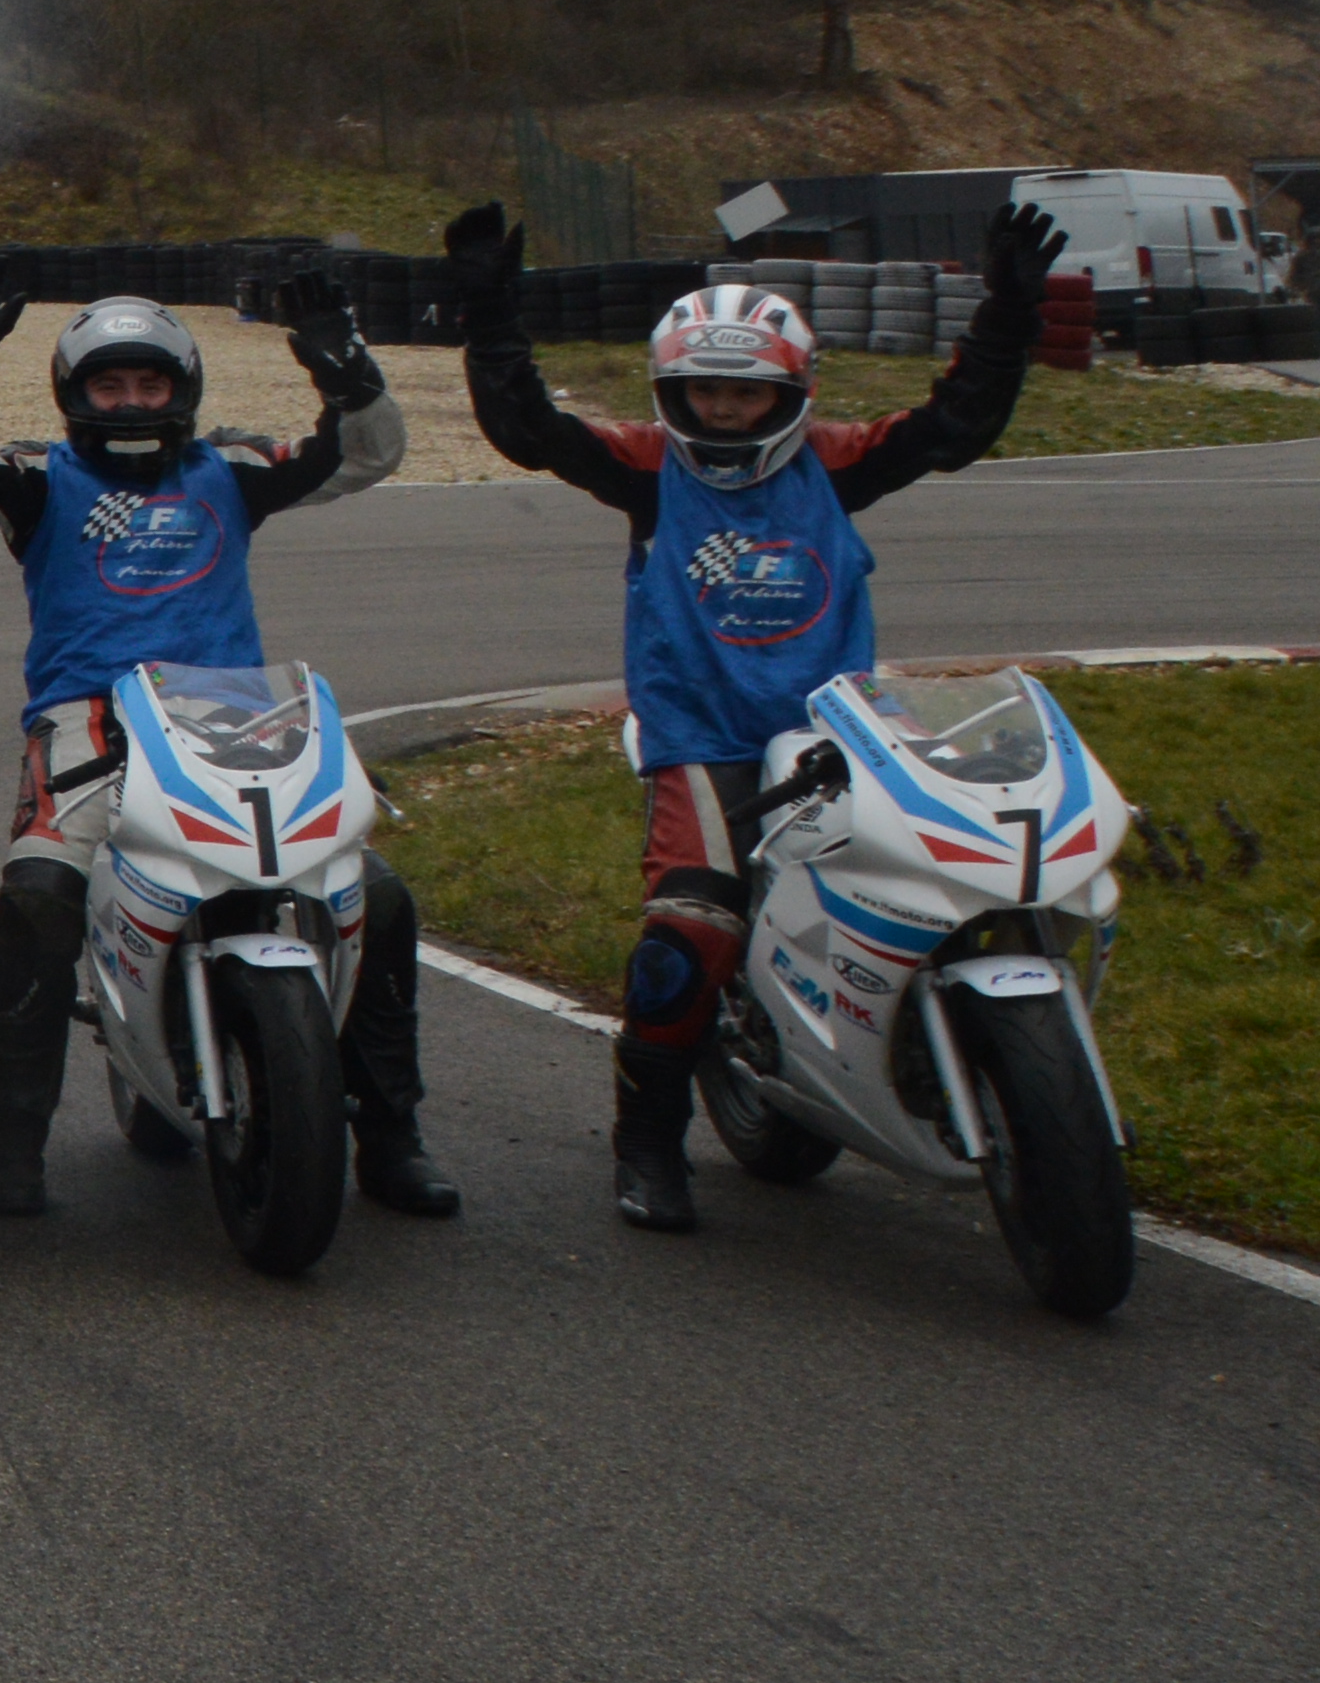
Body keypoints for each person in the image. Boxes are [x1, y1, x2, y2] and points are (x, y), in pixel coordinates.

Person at [442, 195, 1057, 1231]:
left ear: (794, 393)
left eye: (746, 394)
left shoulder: (836, 459)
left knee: (956, 881)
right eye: (703, 392)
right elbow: (528, 429)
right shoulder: (644, 467)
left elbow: (954, 425)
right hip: (702, 738)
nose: (723, 412)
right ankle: (645, 1141)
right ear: (667, 393)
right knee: (687, 935)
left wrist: (1007, 308)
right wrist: (489, 311)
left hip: (843, 732)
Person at [0, 281, 442, 1221]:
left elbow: (368, 455)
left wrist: (339, 360)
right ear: (75, 393)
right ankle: (14, 1145)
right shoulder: (39, 477)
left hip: (236, 716)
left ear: (182, 385)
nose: (134, 402)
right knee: (36, 895)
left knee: (378, 897)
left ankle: (392, 1138)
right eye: (111, 387)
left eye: (151, 382)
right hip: (89, 721)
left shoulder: (234, 467)